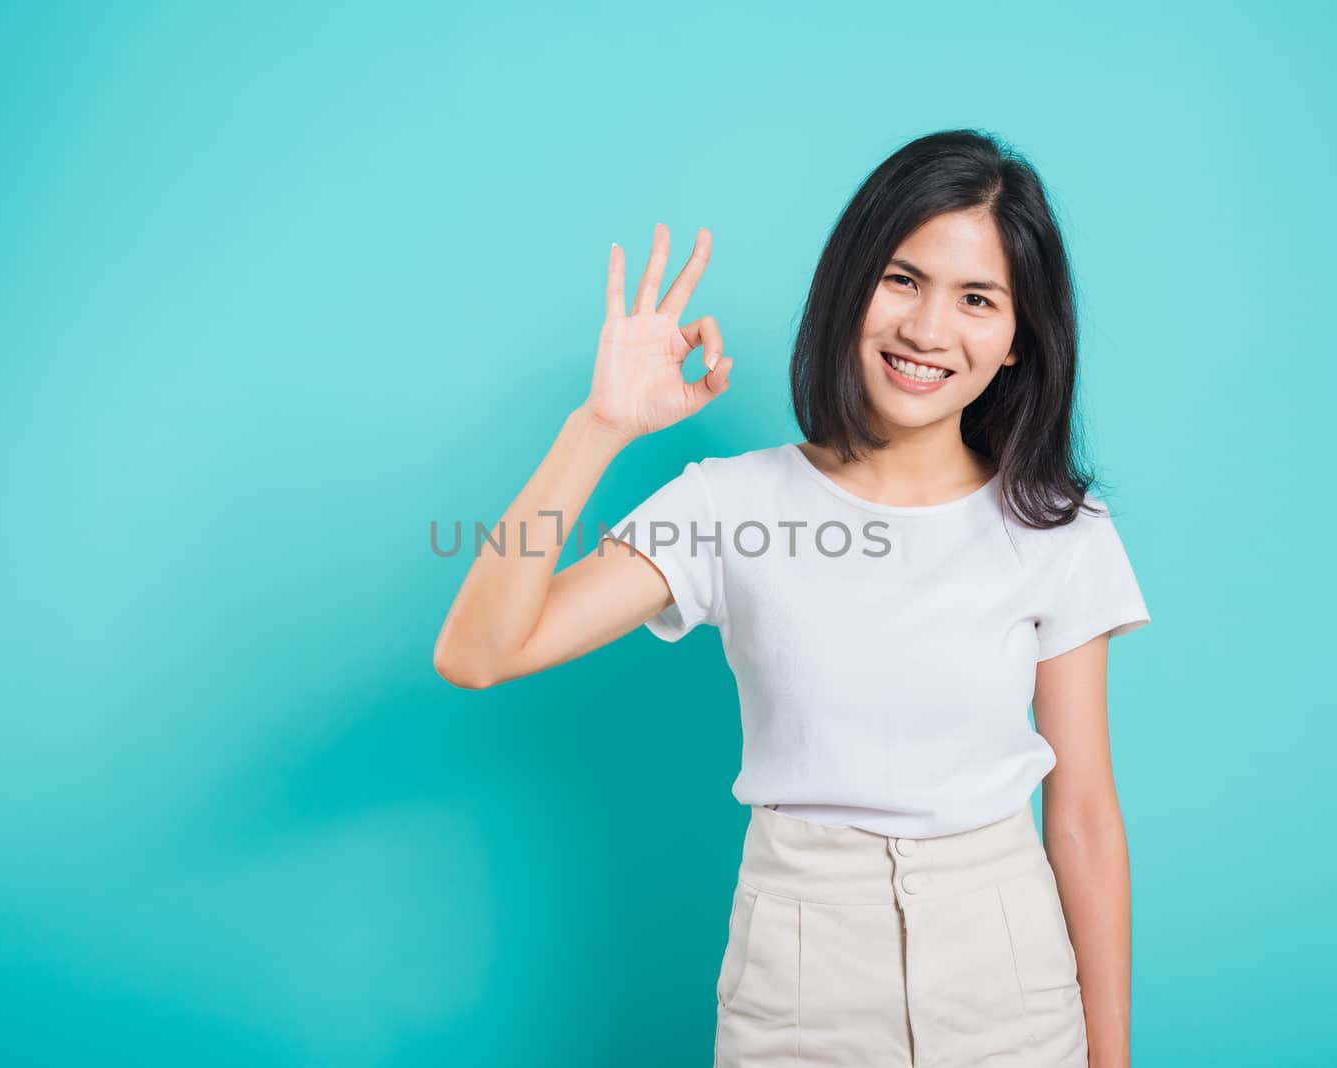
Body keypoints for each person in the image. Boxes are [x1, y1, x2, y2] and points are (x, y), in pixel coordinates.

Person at [433, 128, 1150, 1068]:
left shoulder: (1058, 525)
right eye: (903, 279)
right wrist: (597, 428)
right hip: (801, 989)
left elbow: (1086, 814)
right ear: (852, 287)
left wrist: (1113, 1058)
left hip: (1011, 981)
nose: (930, 330)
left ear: (1019, 340)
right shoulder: (731, 505)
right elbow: (478, 653)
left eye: (978, 299)